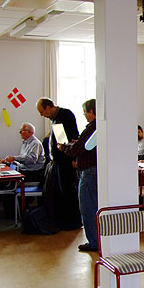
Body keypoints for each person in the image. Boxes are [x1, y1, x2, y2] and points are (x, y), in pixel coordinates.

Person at [36, 97, 82, 230]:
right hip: (58, 162)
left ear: (48, 107)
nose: (42, 115)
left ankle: (73, 221)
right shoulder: (55, 118)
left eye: (42, 111)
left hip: (65, 161)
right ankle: (64, 220)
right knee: (60, 192)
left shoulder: (64, 115)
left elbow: (71, 138)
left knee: (68, 190)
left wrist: (74, 159)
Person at [59, 99, 98, 252]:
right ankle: (97, 240)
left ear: (91, 112)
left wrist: (64, 148)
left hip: (89, 173)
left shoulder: (92, 127)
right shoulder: (98, 127)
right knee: (93, 206)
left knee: (88, 208)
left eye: (85, 113)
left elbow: (76, 150)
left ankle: (94, 242)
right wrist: (77, 143)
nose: (84, 115)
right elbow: (83, 145)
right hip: (94, 171)